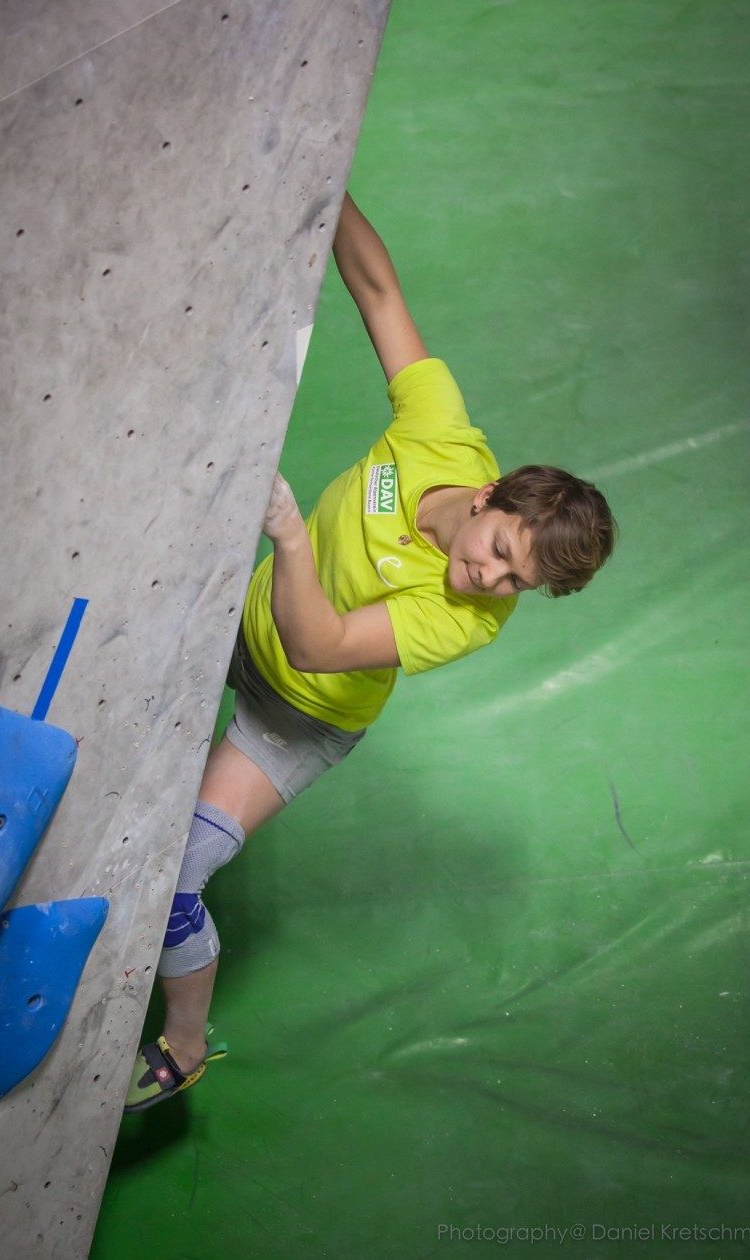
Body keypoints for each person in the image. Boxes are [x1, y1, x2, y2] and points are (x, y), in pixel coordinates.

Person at [124, 193, 615, 1111]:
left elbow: (318, 648)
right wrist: (326, 168)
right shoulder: (440, 433)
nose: (492, 583)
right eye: (501, 554)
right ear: (488, 497)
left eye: (518, 587)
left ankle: (185, 1045)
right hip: (240, 622)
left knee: (174, 874)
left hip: (298, 714)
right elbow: (379, 291)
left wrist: (293, 540)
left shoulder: (464, 620)